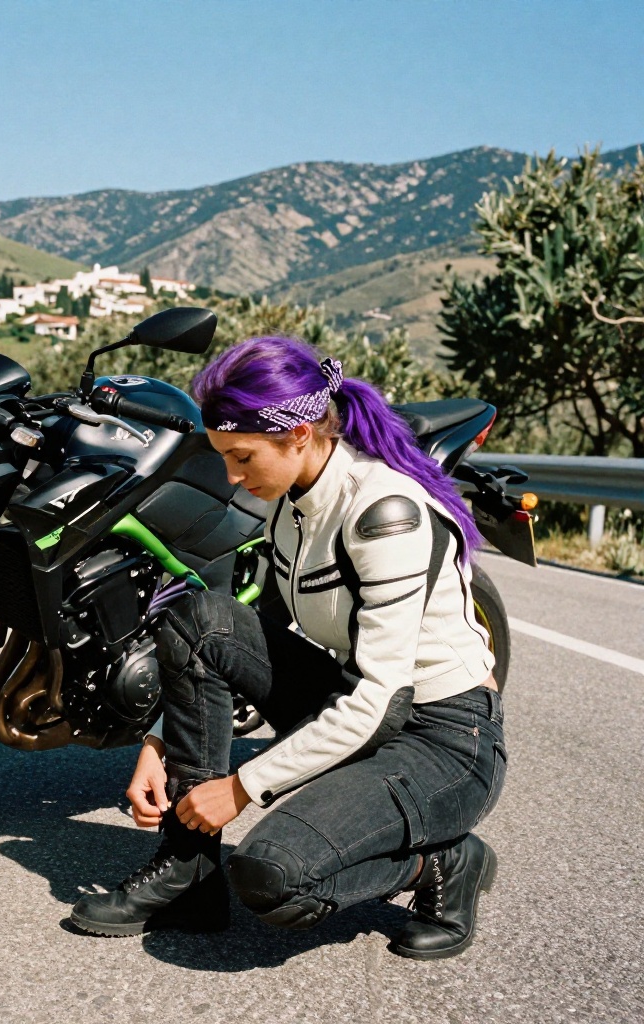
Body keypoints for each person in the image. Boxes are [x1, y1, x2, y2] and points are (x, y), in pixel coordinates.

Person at [70, 336, 507, 959]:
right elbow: (224, 635)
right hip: (366, 708)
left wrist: (242, 787)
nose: (232, 475)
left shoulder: (385, 511)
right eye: (223, 456)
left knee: (274, 879)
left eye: (242, 457)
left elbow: (381, 698)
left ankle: (441, 864)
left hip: (444, 740)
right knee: (200, 617)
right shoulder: (291, 502)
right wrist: (159, 742)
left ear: (299, 434)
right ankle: (187, 873)